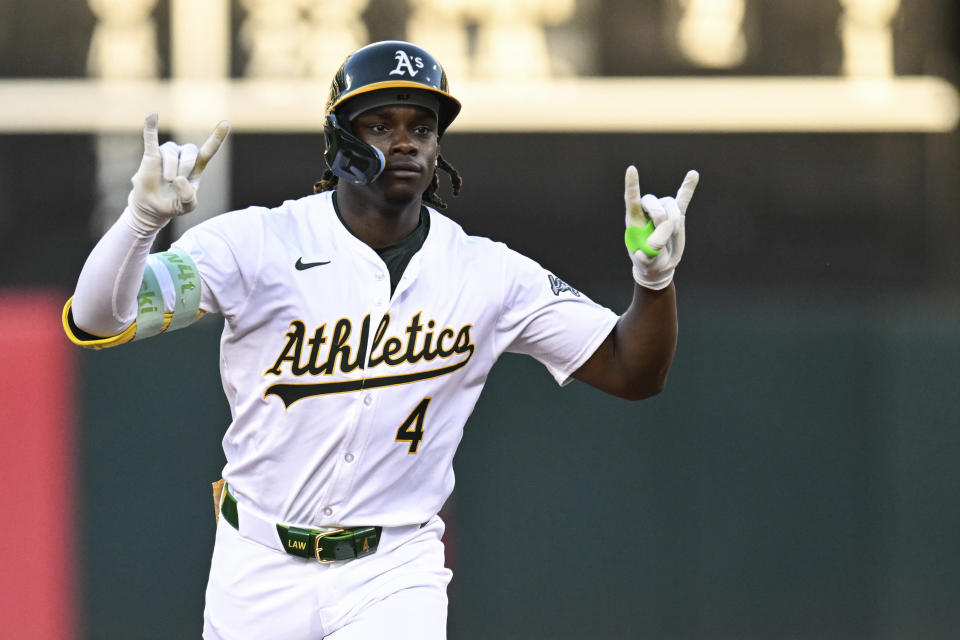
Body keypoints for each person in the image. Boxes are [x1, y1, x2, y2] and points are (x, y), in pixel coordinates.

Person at [63, 40, 699, 640]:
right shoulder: (258, 243)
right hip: (257, 559)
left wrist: (654, 278)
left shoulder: (489, 271)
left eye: (421, 128)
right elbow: (100, 318)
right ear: (341, 141)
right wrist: (140, 222)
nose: (405, 144)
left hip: (394, 565)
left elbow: (630, 371)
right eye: (380, 125)